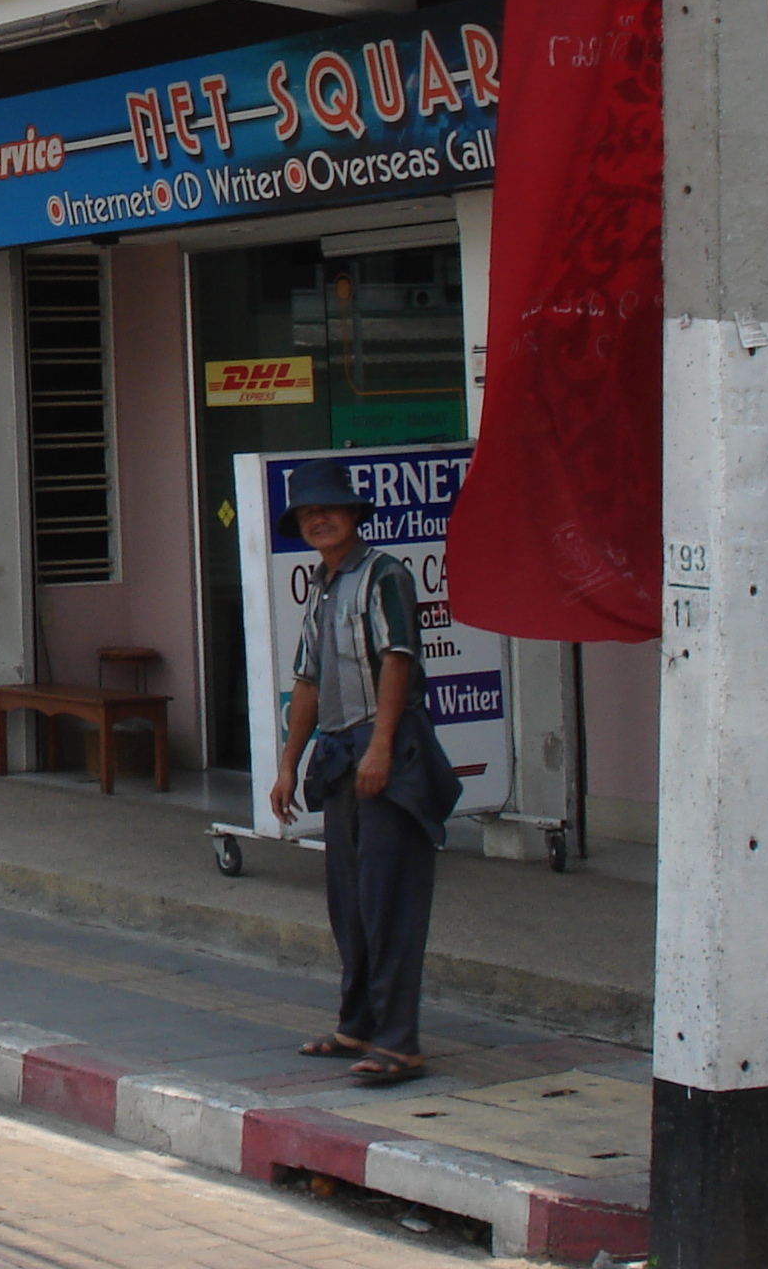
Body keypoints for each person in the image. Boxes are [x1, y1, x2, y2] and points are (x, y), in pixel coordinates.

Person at [268, 459, 462, 1090]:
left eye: (330, 509)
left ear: (354, 515)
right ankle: (356, 1024)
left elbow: (398, 661)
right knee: (349, 902)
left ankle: (399, 1043)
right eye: (307, 513)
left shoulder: (384, 576)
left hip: (390, 752)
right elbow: (308, 680)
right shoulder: (323, 585)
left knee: (391, 902)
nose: (319, 519)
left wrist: (380, 749)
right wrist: (287, 765)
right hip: (341, 755)